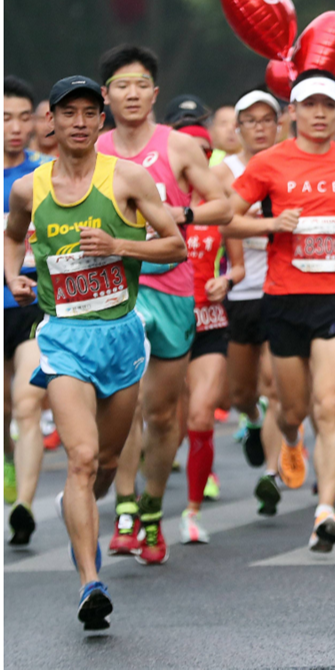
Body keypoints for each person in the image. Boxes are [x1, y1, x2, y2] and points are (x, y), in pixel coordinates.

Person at [4, 75, 186, 629]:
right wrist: (12, 275)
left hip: (121, 335)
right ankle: (91, 583)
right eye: (68, 113)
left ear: (101, 121)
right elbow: (13, 235)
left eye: (89, 112)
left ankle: (80, 507)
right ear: (50, 123)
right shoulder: (29, 190)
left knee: (107, 464)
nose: (79, 122)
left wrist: (119, 245)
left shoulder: (127, 178)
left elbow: (175, 244)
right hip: (61, 335)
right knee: (80, 458)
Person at [226, 69, 335, 552]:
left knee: (328, 406)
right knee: (293, 409)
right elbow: (227, 216)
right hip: (284, 298)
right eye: (309, 105)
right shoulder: (270, 163)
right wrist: (271, 223)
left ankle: (326, 510)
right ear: (293, 112)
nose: (318, 114)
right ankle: (289, 439)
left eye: (327, 107)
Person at [96, 44, 231, 565]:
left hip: (173, 284)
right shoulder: (95, 148)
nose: (131, 94)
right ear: (105, 95)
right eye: (120, 86)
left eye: (140, 85)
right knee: (123, 403)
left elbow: (223, 203)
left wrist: (183, 213)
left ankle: (152, 509)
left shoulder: (176, 146)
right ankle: (126, 508)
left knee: (161, 412)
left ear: (154, 93)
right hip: (116, 288)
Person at [215, 88, 283, 514]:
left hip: (283, 287)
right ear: (237, 127)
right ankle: (252, 422)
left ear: (278, 125)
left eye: (266, 120)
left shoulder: (291, 164)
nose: (259, 128)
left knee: (275, 385)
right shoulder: (224, 172)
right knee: (240, 391)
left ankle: (271, 475)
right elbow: (224, 223)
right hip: (240, 290)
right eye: (250, 121)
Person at [4, 76, 51, 545]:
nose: (16, 128)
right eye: (5, 118)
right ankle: (8, 463)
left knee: (26, 403)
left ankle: (24, 507)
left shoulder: (47, 174)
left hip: (32, 303)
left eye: (24, 117)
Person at [179, 207, 244, 543]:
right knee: (166, 424)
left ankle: (192, 512)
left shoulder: (218, 209)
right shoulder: (151, 198)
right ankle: (137, 508)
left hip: (210, 323)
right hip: (166, 324)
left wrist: (227, 280)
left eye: (204, 150)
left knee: (202, 415)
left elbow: (239, 267)